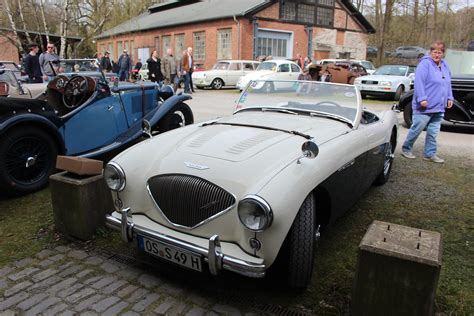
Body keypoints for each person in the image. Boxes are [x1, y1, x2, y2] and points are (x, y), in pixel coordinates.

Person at [401, 40, 453, 163]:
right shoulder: (425, 64)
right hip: (425, 106)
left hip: (439, 106)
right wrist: (422, 98)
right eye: (434, 52)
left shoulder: (445, 65)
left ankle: (430, 154)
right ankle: (406, 148)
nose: (436, 55)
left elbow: (448, 83)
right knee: (417, 128)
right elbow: (419, 83)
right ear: (430, 52)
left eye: (439, 52)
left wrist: (450, 97)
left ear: (443, 53)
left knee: (433, 132)